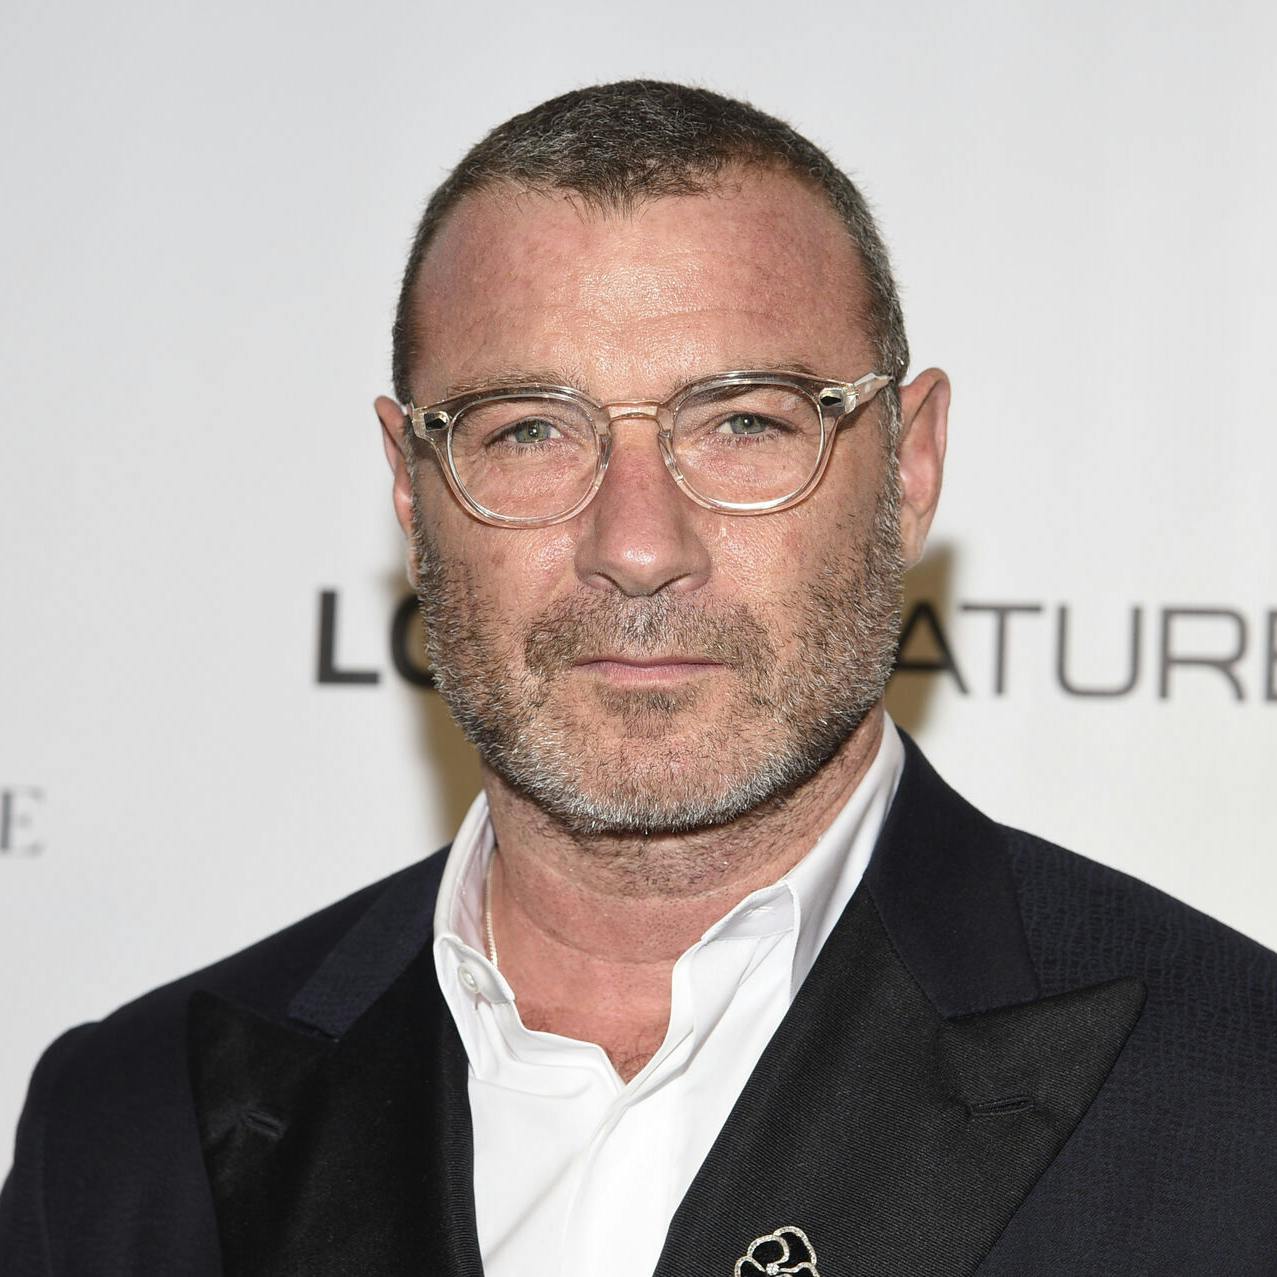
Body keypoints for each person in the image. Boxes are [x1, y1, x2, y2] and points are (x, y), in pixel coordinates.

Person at [2, 80, 1275, 1277]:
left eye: (743, 421)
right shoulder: (124, 1134)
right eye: (529, 432)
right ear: (409, 485)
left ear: (908, 460)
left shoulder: (1238, 1101)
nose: (636, 546)